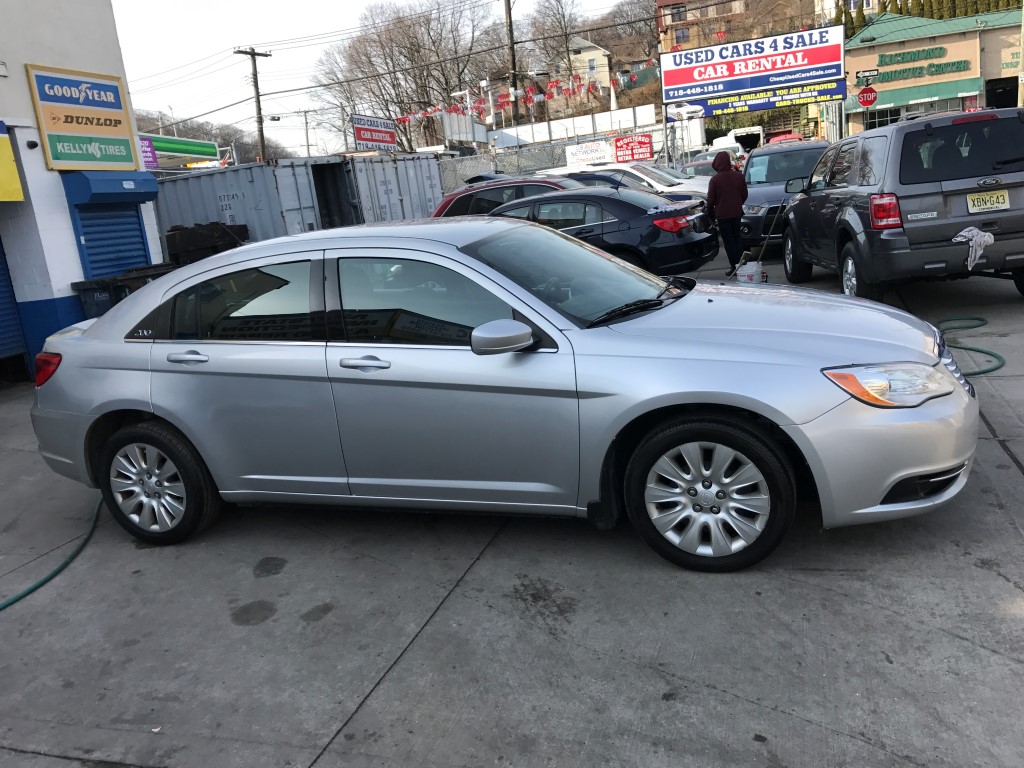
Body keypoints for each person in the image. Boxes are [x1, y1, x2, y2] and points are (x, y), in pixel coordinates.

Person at [706, 150, 749, 276]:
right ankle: (741, 265)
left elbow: (710, 201)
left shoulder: (714, 180)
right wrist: (737, 203)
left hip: (722, 215)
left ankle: (734, 266)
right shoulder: (738, 176)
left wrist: (711, 214)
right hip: (736, 213)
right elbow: (744, 194)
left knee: (728, 242)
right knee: (737, 239)